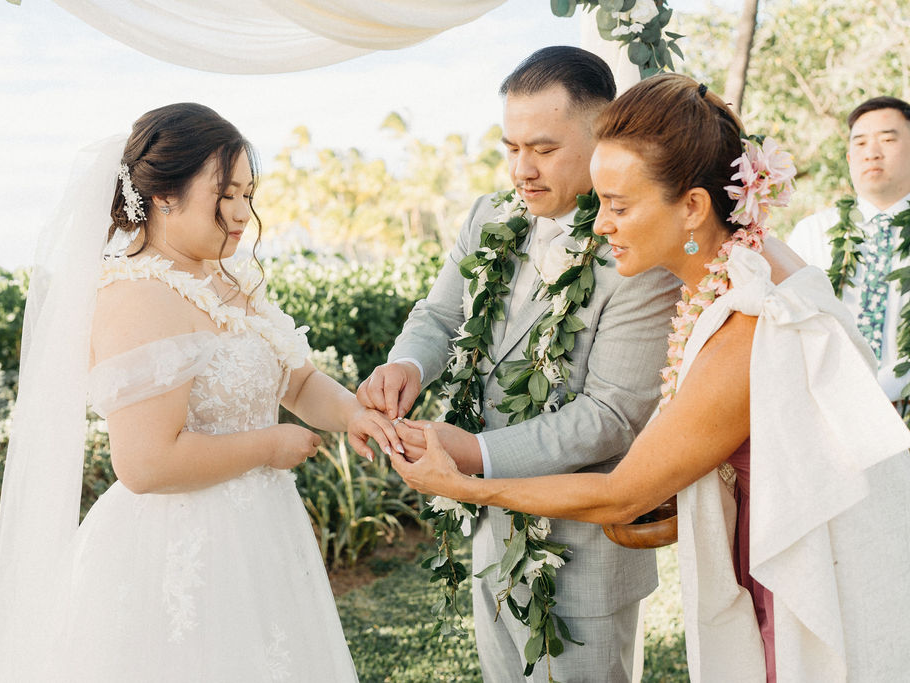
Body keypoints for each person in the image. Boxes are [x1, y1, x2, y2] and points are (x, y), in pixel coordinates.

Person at [389, 74, 910, 683]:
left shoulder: (751, 320)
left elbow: (623, 494)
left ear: (692, 205)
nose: (601, 225)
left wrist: (463, 485)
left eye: (618, 205)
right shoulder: (750, 263)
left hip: (805, 576)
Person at [0, 103, 401, 681]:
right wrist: (271, 446)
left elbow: (296, 380)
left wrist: (355, 414)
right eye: (225, 194)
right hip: (175, 552)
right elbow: (146, 463)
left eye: (248, 194)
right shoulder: (134, 296)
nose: (241, 213)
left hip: (258, 537)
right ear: (163, 197)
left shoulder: (233, 279)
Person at [356, 47, 680, 682]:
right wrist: (407, 368)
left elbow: (611, 416)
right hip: (489, 533)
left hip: (584, 551)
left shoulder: (640, 250)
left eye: (543, 148)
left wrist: (475, 452)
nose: (522, 170)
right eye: (510, 148)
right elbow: (439, 317)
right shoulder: (489, 216)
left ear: (603, 131)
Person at [788, 96, 910, 401]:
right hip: (829, 414)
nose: (872, 153)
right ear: (848, 159)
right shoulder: (812, 233)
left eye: (887, 139)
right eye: (860, 143)